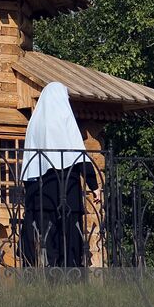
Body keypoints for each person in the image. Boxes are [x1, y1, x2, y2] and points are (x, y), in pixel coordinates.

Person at [20, 80, 99, 268]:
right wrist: (94, 185)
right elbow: (77, 152)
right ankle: (70, 275)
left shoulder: (35, 121)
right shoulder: (64, 117)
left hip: (40, 188)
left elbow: (31, 158)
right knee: (69, 233)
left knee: (46, 235)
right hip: (66, 185)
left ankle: (46, 274)